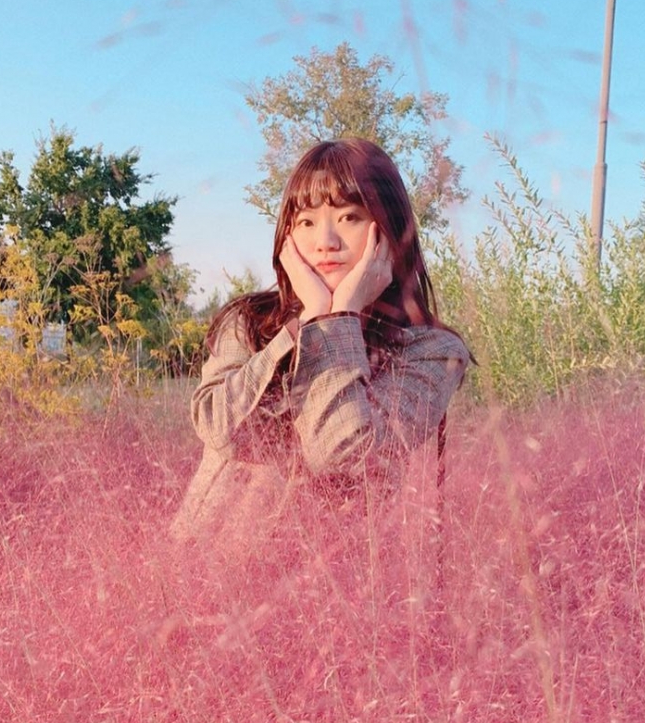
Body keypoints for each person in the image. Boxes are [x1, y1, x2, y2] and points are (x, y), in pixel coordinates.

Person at [170, 138, 469, 551]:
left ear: (389, 230)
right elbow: (220, 430)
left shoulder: (432, 351)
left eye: (349, 217)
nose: (325, 240)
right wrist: (299, 329)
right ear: (288, 233)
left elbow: (344, 454)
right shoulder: (249, 322)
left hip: (328, 596)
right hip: (202, 577)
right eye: (307, 221)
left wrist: (337, 320)